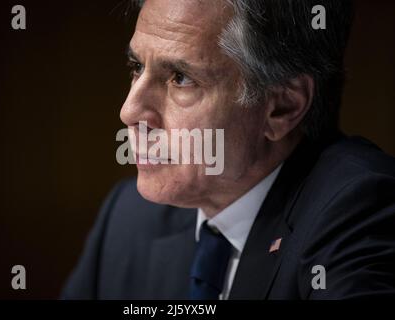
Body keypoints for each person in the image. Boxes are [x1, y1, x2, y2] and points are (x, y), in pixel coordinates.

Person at [61, 0, 395, 299]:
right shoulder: (128, 217)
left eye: (180, 77)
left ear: (282, 107)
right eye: (137, 67)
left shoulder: (360, 212)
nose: (129, 111)